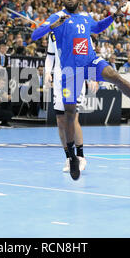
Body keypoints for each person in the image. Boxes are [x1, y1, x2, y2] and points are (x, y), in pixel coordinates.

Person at [31, 0, 130, 180]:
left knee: (115, 76)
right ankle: (72, 158)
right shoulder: (57, 17)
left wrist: (114, 15)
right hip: (70, 72)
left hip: (90, 63)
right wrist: (53, 25)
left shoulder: (85, 17)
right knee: (69, 114)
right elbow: (35, 35)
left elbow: (98, 27)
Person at [45, 32, 88, 172]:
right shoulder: (53, 33)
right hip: (58, 80)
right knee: (60, 121)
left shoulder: (80, 30)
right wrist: (47, 73)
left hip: (76, 76)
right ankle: (70, 158)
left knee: (73, 117)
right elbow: (50, 56)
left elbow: (87, 57)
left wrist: (92, 77)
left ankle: (80, 157)